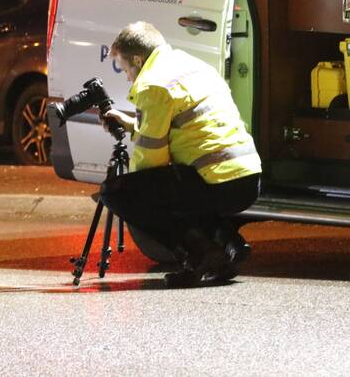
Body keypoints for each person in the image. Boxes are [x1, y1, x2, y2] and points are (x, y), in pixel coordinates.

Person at [99, 21, 262, 288]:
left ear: (138, 60)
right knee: (180, 184)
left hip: (219, 182)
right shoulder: (190, 65)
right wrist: (132, 125)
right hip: (246, 178)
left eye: (126, 69)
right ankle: (227, 240)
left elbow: (150, 163)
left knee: (118, 192)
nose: (128, 77)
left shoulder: (153, 85)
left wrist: (129, 191)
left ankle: (201, 255)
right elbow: (185, 128)